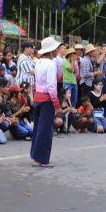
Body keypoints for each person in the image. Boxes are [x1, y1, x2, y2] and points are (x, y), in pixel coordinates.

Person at [31, 37, 63, 168]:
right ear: (52, 50)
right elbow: (51, 86)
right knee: (45, 130)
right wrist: (57, 104)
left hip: (38, 97)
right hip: (46, 100)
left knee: (38, 128)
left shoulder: (38, 62)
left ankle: (36, 156)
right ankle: (43, 159)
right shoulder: (50, 64)